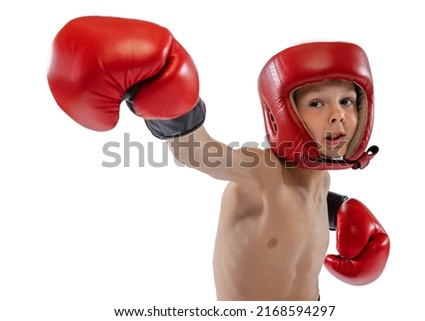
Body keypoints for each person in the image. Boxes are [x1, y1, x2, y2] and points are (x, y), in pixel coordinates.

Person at [47, 16, 390, 301]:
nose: (338, 115)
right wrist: (172, 108)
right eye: (317, 103)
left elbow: (295, 206)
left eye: (347, 101)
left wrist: (338, 209)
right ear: (282, 114)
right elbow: (201, 154)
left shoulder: (321, 181)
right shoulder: (264, 171)